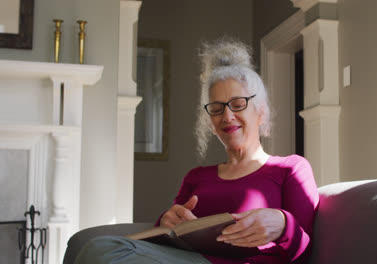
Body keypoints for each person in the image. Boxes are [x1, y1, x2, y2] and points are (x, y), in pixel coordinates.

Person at [75, 37, 319, 264]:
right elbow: (167, 235)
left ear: (260, 112)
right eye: (216, 108)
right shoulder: (197, 176)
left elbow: (309, 251)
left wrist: (284, 224)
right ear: (210, 123)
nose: (227, 115)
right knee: (93, 247)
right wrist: (167, 220)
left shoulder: (290, 168)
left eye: (237, 104)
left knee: (101, 250)